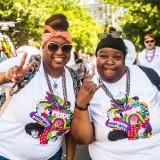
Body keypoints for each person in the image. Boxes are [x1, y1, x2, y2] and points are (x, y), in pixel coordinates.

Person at [0, 13, 80, 160]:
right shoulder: (23, 65)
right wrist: (6, 77)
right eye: (53, 46)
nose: (60, 52)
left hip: (52, 157)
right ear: (43, 47)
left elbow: (72, 129)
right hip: (7, 155)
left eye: (66, 48)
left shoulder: (73, 79)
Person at [71, 32, 160, 160]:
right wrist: (81, 104)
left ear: (124, 59)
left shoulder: (149, 76)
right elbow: (83, 139)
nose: (110, 62)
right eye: (103, 56)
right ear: (96, 58)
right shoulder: (87, 88)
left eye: (117, 57)